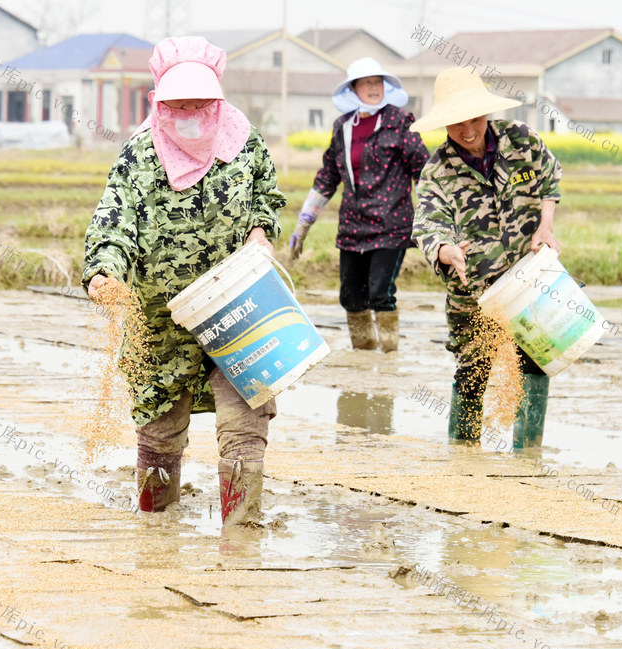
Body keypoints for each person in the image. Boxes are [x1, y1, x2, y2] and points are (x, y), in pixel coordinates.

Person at [82, 37, 286, 525]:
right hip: (161, 320)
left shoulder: (243, 141)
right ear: (160, 100)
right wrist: (104, 270)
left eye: (201, 101)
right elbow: (114, 221)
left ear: (217, 100)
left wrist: (261, 230)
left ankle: (241, 536)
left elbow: (267, 196)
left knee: (245, 422)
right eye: (179, 103)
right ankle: (157, 528)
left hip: (236, 308)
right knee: (159, 430)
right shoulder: (139, 156)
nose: (191, 111)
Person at [410, 67, 563, 449]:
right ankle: (463, 460)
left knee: (535, 362)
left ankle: (528, 458)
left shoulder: (521, 140)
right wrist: (446, 251)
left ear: (486, 114)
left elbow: (550, 179)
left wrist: (545, 226)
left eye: (474, 119)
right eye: (456, 123)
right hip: (474, 294)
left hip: (529, 280)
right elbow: (428, 225)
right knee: (473, 372)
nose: (467, 131)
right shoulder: (437, 171)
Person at [289, 57, 429, 353]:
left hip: (392, 225)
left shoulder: (400, 122)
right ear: (353, 89)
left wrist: (431, 220)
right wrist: (304, 223)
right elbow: (328, 175)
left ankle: (390, 358)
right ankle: (363, 358)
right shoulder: (342, 127)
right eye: (366, 82)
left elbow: (423, 171)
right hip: (353, 225)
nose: (373, 87)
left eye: (377, 82)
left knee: (380, 294)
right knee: (351, 296)